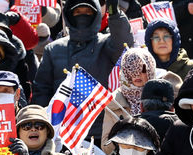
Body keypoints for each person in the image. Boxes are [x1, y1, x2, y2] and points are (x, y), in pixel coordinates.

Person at [31, 0, 133, 130]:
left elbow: (124, 46)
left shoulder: (107, 43)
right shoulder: (53, 49)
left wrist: (114, 12)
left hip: (101, 129)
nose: (82, 16)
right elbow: (42, 91)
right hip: (62, 130)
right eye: (77, 12)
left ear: (96, 14)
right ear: (69, 15)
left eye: (88, 12)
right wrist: (42, 125)